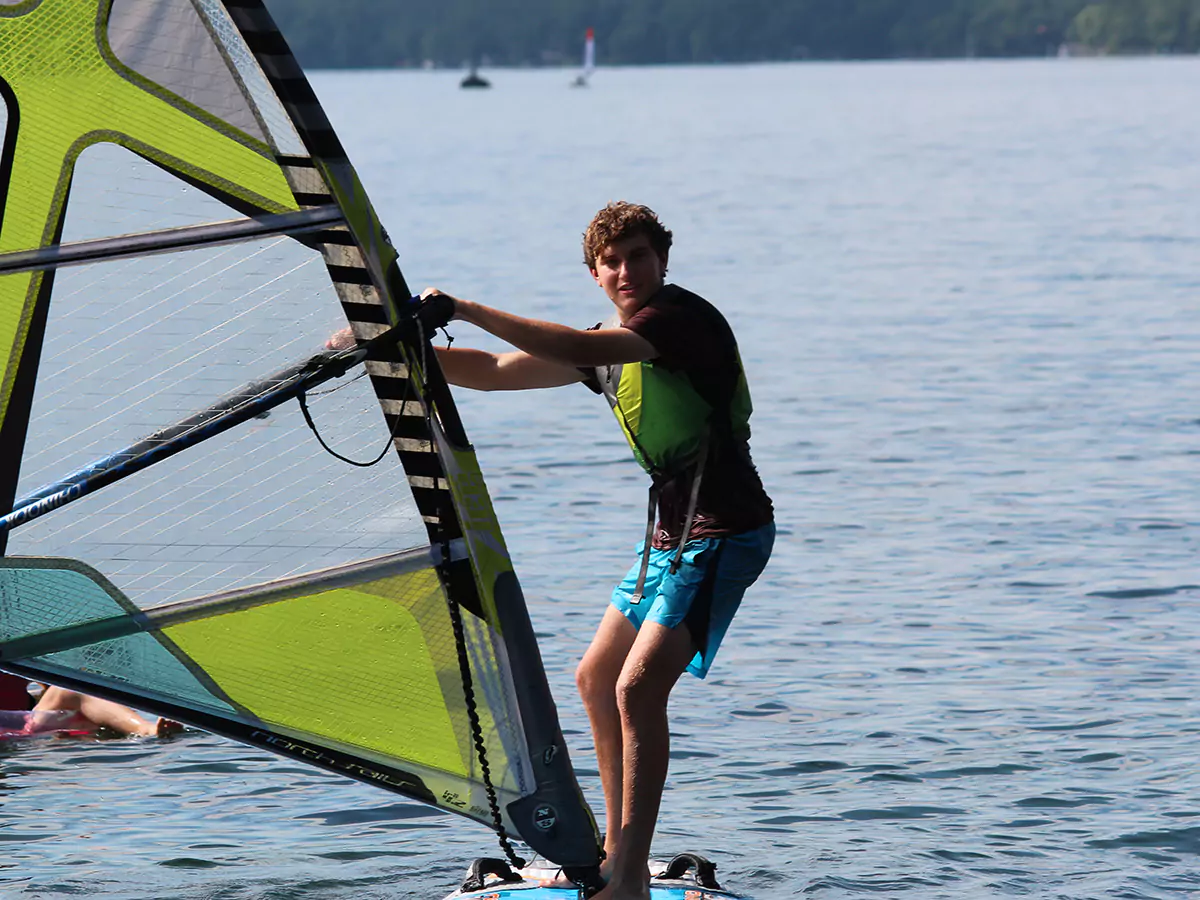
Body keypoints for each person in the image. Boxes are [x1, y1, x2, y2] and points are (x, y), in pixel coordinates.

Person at [406, 202, 775, 900]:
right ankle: (614, 851)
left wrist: (464, 307)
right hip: (669, 538)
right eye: (612, 262)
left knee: (638, 689)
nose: (626, 270)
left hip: (726, 531)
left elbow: (575, 345)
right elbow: (493, 369)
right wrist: (383, 348)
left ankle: (629, 876)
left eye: (638, 256)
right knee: (596, 678)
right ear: (595, 275)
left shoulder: (676, 321)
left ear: (662, 261)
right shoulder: (607, 345)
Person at [0, 675, 182, 739]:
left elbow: (46, 679)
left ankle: (145, 729)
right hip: (17, 738)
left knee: (69, 689)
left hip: (30, 726)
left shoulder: (11, 652)